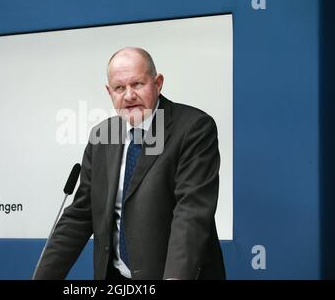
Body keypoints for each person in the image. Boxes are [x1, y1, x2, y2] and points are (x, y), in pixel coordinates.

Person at [34, 47, 225, 280]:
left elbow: (190, 215)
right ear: (109, 91)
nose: (129, 95)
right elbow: (80, 214)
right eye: (119, 88)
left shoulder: (193, 128)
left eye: (137, 84)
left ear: (158, 83)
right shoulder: (103, 134)